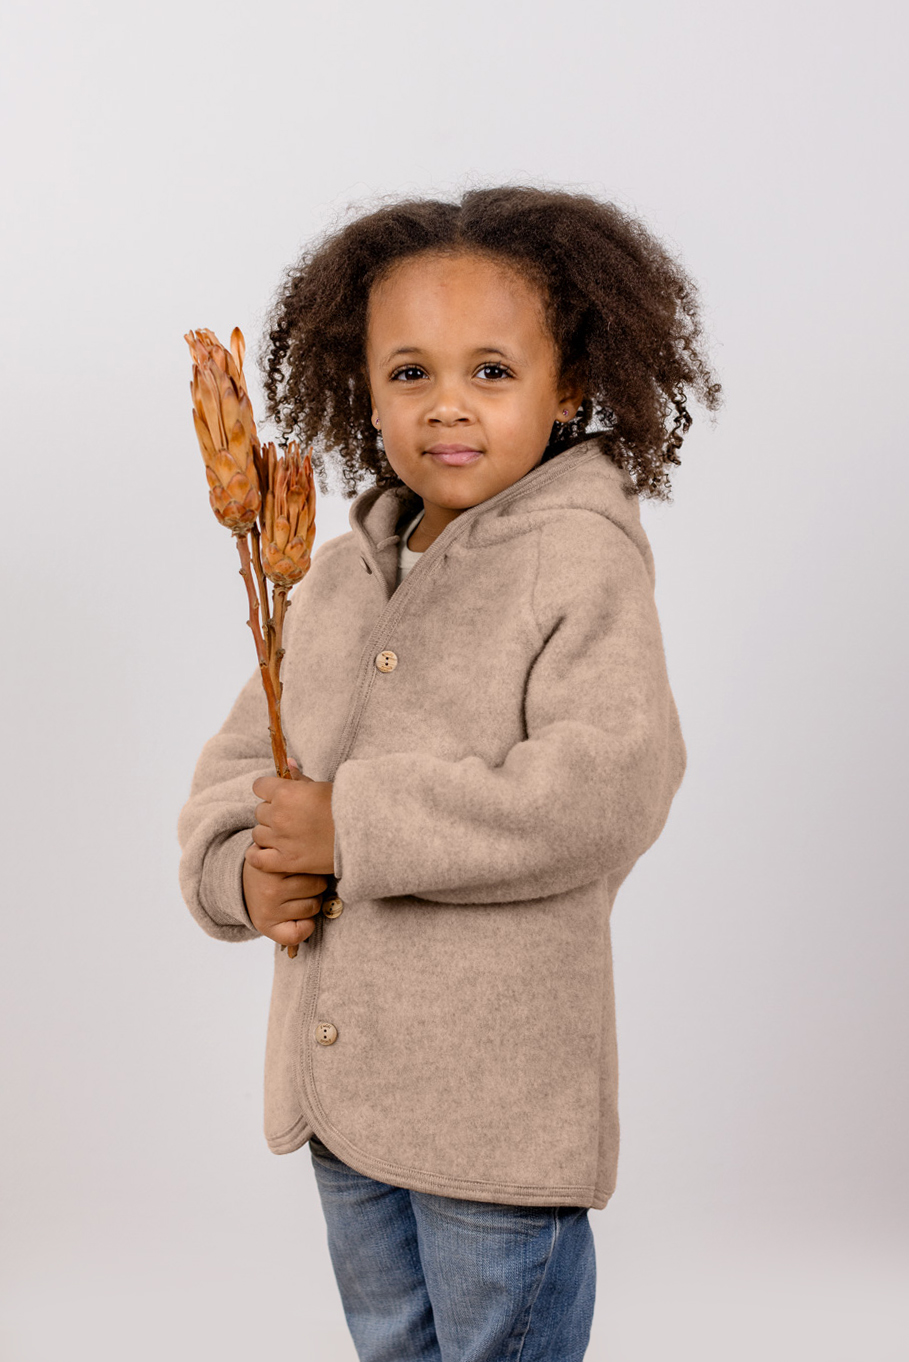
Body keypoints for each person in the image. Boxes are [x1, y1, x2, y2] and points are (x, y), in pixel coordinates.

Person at [177, 185, 722, 1362]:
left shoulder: (580, 562)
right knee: (394, 1343)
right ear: (363, 389)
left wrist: (354, 827)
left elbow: (610, 785)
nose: (448, 405)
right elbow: (241, 765)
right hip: (344, 1097)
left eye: (492, 371)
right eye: (411, 372)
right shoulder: (332, 575)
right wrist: (240, 873)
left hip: (496, 1113)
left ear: (568, 385)